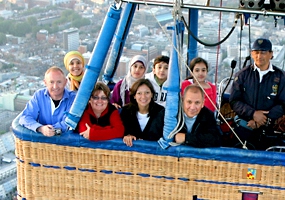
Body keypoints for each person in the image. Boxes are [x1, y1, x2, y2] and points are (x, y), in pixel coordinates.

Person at [229, 38, 285, 150]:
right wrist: (253, 114)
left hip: (269, 130)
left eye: (263, 52)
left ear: (271, 54)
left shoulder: (281, 77)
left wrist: (263, 119)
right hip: (245, 126)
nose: (259, 56)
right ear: (252, 54)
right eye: (256, 52)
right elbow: (234, 101)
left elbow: (283, 103)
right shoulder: (242, 75)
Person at [19, 66, 76, 136]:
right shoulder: (39, 96)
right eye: (51, 82)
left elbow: (71, 122)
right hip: (42, 144)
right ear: (45, 83)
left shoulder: (73, 98)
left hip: (65, 144)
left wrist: (52, 131)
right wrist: (41, 128)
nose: (55, 86)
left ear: (65, 82)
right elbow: (25, 117)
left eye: (59, 82)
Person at [120, 79, 165, 147]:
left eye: (147, 93)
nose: (143, 97)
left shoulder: (161, 112)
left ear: (152, 94)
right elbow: (121, 132)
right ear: (134, 96)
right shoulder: (126, 111)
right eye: (139, 93)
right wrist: (126, 136)